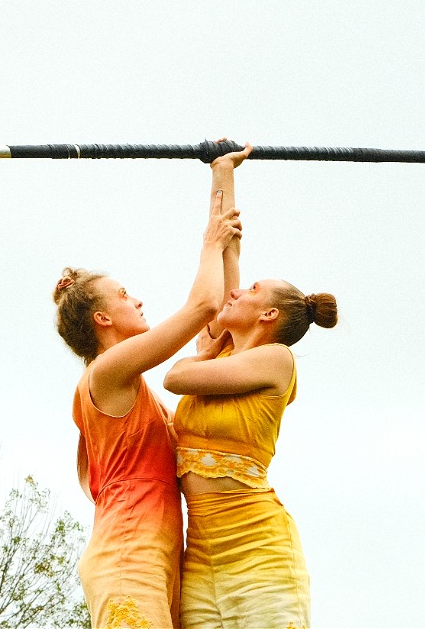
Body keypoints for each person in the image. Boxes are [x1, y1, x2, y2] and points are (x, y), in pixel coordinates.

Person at [54, 170, 241, 629]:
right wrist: (209, 242)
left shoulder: (143, 398)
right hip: (127, 559)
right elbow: (203, 307)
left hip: (157, 560)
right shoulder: (105, 375)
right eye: (123, 295)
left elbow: (223, 312)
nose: (137, 300)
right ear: (102, 318)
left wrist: (222, 176)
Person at [163, 146, 337, 629]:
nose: (237, 291)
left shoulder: (276, 360)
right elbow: (228, 247)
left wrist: (203, 347)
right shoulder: (223, 352)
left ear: (268, 315)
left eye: (252, 290)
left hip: (258, 550)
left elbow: (175, 377)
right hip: (201, 557)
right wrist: (222, 172)